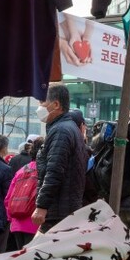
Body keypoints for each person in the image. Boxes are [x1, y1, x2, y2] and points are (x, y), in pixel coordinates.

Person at [32, 84, 89, 232]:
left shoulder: (61, 131)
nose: (39, 108)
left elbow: (54, 171)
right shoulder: (69, 128)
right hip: (66, 210)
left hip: (58, 213)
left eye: (41, 103)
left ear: (56, 104)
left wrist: (42, 206)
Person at [5, 138, 44, 249]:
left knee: (21, 258)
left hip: (17, 224)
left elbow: (8, 199)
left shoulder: (21, 171)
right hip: (36, 224)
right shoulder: (45, 171)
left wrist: (12, 219)